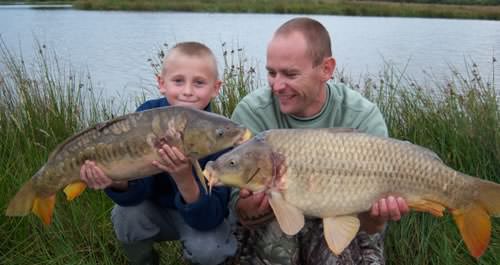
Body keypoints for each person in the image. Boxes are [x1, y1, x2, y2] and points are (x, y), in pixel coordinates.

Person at [229, 17, 409, 265]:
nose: (277, 85)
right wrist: (252, 207)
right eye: (271, 73)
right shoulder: (251, 112)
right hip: (276, 221)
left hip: (345, 216)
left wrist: (378, 216)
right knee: (273, 240)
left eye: (290, 74)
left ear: (326, 69)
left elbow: (371, 225)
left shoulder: (362, 116)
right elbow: (240, 211)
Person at [80, 42, 237, 265]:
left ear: (216, 87)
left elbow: (211, 218)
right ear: (161, 83)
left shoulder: (220, 135)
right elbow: (136, 195)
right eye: (178, 81)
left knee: (210, 249)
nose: (188, 91)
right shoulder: (146, 117)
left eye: (199, 83)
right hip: (155, 213)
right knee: (125, 216)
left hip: (200, 218)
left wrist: (184, 178)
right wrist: (117, 182)